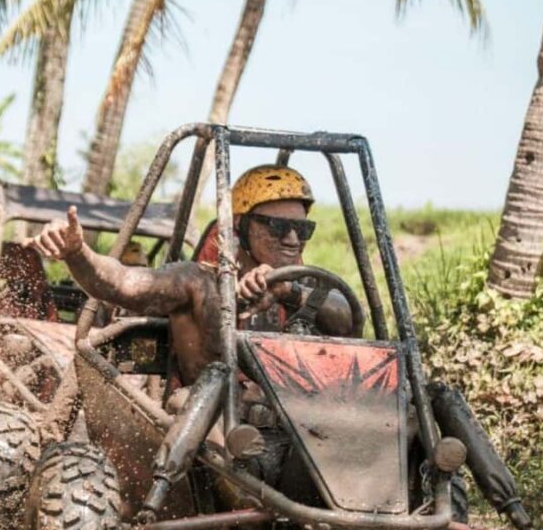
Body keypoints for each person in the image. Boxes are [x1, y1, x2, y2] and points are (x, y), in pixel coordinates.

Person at [28, 165, 354, 387]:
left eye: (302, 228)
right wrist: (77, 254)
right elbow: (122, 283)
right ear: (241, 225)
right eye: (279, 227)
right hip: (210, 420)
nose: (293, 240)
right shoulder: (197, 280)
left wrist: (289, 291)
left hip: (293, 418)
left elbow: (353, 323)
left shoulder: (304, 285)